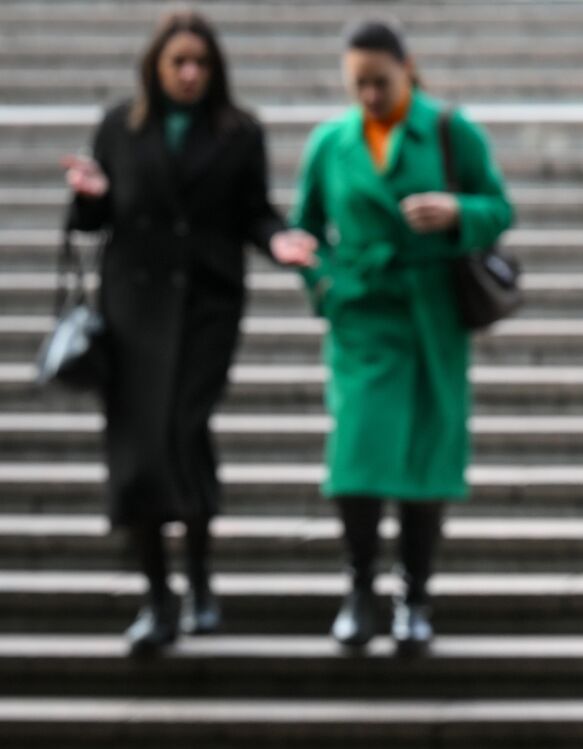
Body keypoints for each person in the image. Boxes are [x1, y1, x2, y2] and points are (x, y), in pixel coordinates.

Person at [62, 11, 318, 653]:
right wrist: (91, 195)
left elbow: (252, 210)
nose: (189, 74)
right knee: (139, 448)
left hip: (206, 307)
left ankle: (199, 576)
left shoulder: (238, 132)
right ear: (156, 66)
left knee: (181, 429)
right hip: (134, 312)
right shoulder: (121, 126)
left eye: (200, 64)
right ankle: (159, 595)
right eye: (178, 62)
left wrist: (278, 238)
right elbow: (93, 223)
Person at [290, 19, 513, 652]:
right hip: (362, 316)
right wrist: (325, 283)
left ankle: (414, 595)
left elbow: (499, 207)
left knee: (425, 463)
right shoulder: (330, 143)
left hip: (431, 317)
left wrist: (456, 212)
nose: (368, 95)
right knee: (356, 455)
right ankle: (359, 588)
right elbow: (303, 227)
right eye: (356, 83)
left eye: (379, 82)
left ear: (407, 70)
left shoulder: (449, 129)